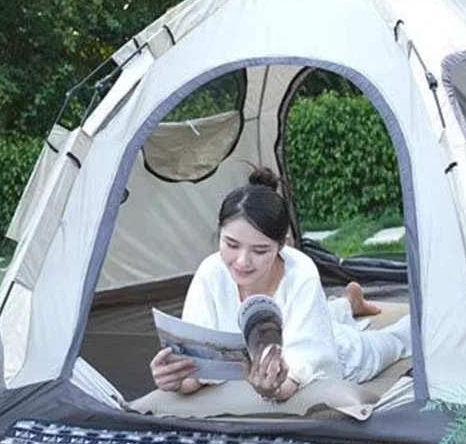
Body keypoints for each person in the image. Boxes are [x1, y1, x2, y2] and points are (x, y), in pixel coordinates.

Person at [149, 167, 412, 402]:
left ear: (282, 245)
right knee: (322, 315)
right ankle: (347, 302)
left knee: (395, 340)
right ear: (220, 234)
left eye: (260, 250)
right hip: (304, 325)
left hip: (334, 350)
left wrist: (272, 389)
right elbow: (197, 371)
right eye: (231, 244)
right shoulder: (211, 271)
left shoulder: (301, 273)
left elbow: (297, 377)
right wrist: (174, 379)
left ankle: (350, 306)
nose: (242, 261)